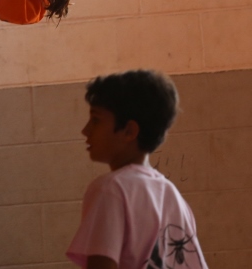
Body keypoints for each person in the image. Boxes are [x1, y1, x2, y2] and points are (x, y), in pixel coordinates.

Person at [67, 70, 207, 269]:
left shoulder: (111, 189)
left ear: (129, 131)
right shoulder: (172, 194)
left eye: (96, 120)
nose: (85, 130)